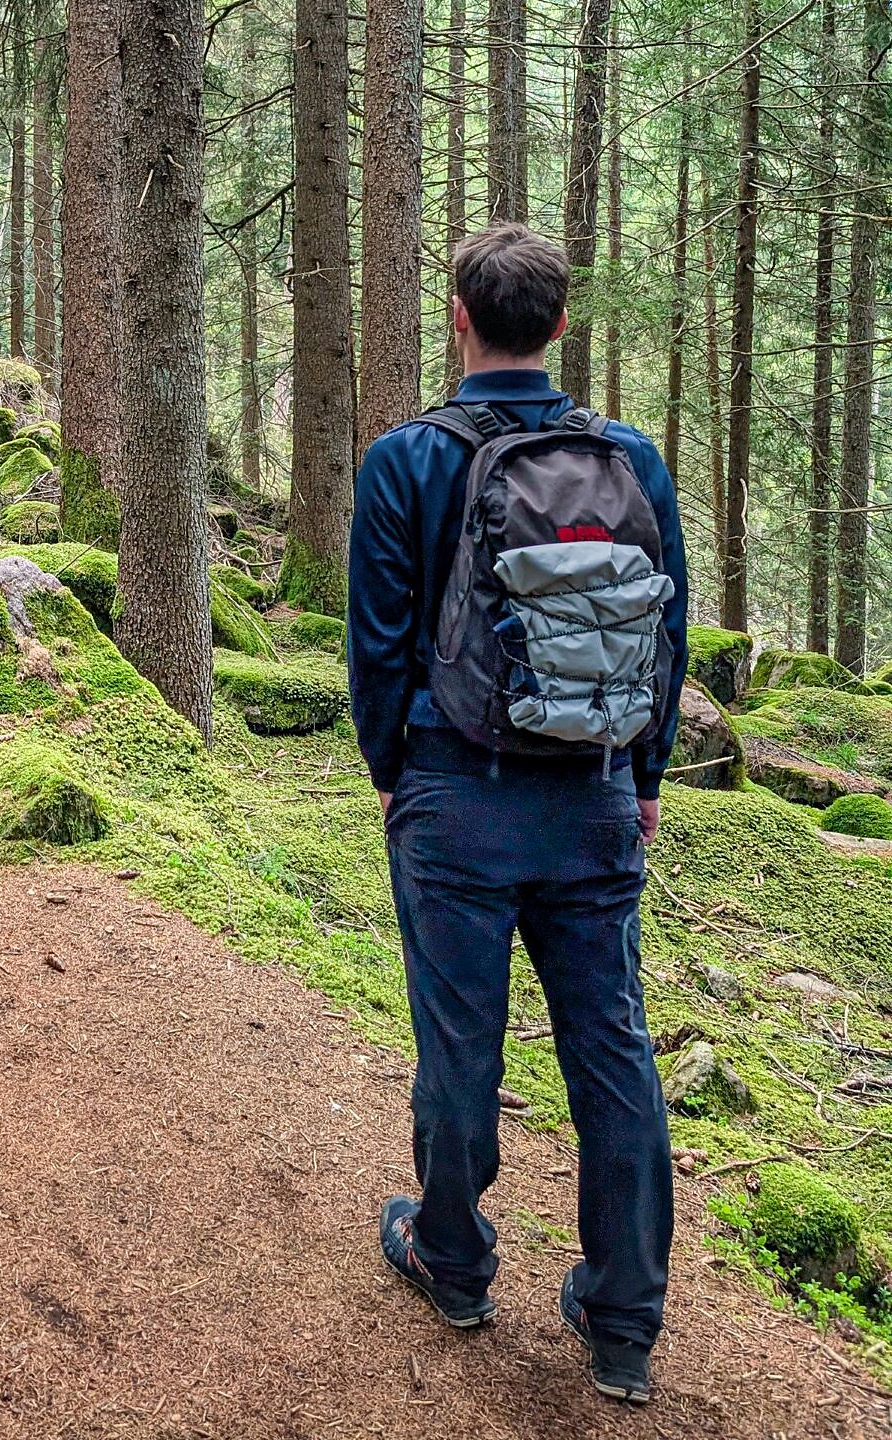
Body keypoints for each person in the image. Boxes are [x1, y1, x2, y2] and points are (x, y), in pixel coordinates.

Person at [346, 223, 688, 1406]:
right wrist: (642, 779)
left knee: (459, 1044)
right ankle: (625, 1319)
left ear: (458, 317)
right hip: (592, 795)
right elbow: (667, 635)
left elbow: (379, 646)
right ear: (556, 327)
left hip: (456, 796)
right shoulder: (630, 458)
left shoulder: (405, 460)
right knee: (613, 1049)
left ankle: (452, 1262)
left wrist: (395, 771)